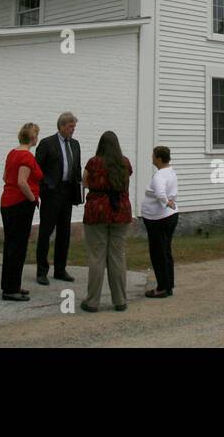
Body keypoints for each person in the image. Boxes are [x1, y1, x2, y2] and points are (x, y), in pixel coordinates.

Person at [80, 130, 133, 313]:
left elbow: (85, 182)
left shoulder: (94, 162)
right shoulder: (124, 162)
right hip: (120, 211)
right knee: (117, 255)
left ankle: (92, 301)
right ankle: (120, 300)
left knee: (97, 256)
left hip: (98, 212)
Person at [33, 111, 82, 286]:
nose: (72, 130)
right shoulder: (47, 143)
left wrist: (78, 189)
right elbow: (37, 169)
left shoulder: (75, 145)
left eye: (74, 127)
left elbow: (77, 167)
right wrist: (45, 186)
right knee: (46, 232)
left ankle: (60, 269)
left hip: (68, 193)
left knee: (64, 232)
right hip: (52, 193)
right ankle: (41, 271)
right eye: (70, 127)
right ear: (61, 126)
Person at [0, 123, 43, 301]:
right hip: (20, 204)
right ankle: (11, 288)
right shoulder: (26, 157)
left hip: (7, 202)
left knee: (11, 244)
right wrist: (33, 199)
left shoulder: (12, 153)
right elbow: (22, 181)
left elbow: (5, 176)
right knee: (18, 247)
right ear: (33, 138)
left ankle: (10, 284)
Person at [141, 145, 179, 298]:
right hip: (169, 217)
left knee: (158, 253)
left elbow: (159, 192)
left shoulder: (159, 176)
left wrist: (166, 202)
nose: (151, 157)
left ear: (158, 158)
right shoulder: (171, 171)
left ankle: (162, 287)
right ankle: (168, 284)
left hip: (159, 219)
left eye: (153, 155)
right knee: (166, 251)